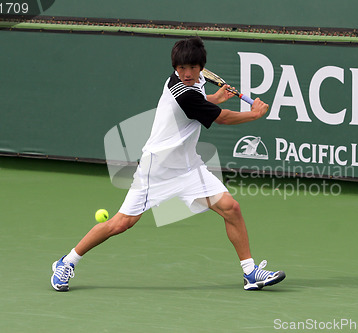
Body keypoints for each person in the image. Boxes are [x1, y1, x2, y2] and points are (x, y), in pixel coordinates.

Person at [51, 36, 285, 292]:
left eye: (192, 68)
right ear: (175, 68)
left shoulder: (197, 81)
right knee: (120, 223)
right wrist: (254, 113)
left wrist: (214, 98)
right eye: (180, 68)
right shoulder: (182, 90)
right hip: (157, 170)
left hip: (188, 168)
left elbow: (201, 105)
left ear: (200, 66)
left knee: (231, 208)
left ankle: (250, 273)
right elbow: (222, 120)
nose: (186, 73)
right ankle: (67, 261)